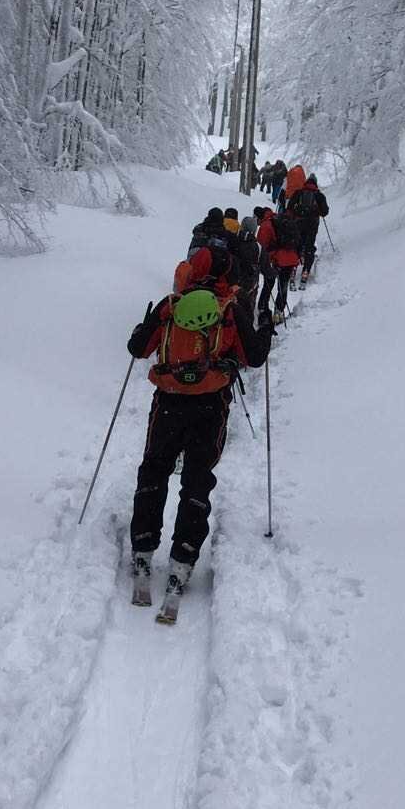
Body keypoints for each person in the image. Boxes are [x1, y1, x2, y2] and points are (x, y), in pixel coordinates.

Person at [126, 259, 273, 611]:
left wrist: (144, 325)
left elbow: (137, 348)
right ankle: (183, 557)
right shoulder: (229, 309)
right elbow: (254, 358)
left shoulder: (169, 307)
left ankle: (144, 548)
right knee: (197, 479)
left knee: (155, 469)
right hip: (211, 406)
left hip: (168, 402)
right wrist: (265, 327)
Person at [256, 206, 301, 319]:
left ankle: (262, 308)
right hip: (291, 258)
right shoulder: (281, 219)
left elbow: (262, 246)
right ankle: (279, 312)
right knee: (283, 285)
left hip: (277, 259)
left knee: (268, 284)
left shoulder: (266, 225)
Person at [285, 172, 329, 281]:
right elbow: (325, 212)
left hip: (299, 223)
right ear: (316, 183)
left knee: (297, 245)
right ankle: (306, 271)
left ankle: (293, 268)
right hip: (312, 224)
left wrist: (295, 214)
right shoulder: (319, 195)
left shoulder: (299, 192)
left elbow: (289, 207)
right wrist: (317, 212)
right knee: (309, 246)